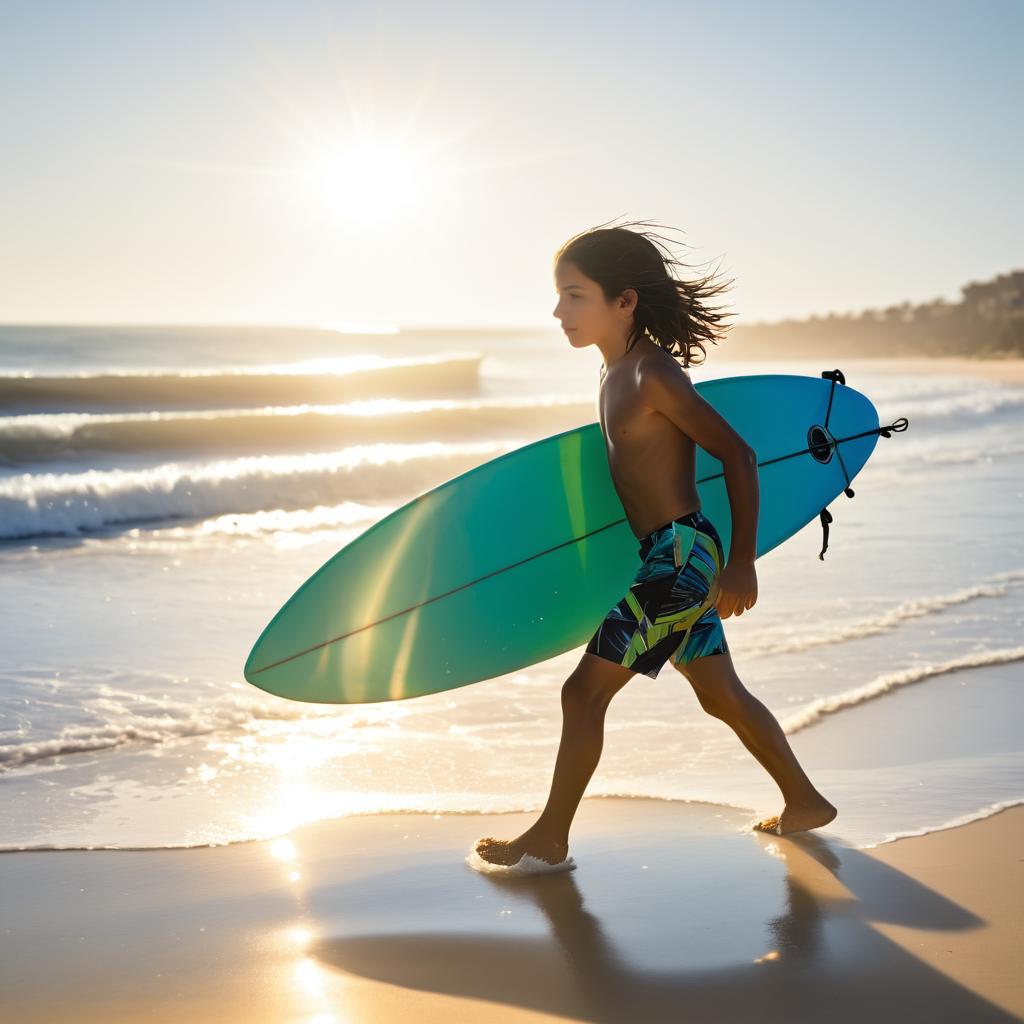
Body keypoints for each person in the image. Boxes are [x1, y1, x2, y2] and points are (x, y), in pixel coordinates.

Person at [473, 220, 836, 870]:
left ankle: (551, 836)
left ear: (625, 300)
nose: (559, 311)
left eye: (575, 295)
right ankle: (804, 799)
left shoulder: (650, 375)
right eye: (560, 296)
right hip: (669, 558)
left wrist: (744, 561)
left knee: (581, 695)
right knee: (719, 694)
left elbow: (739, 454)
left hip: (680, 562)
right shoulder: (614, 372)